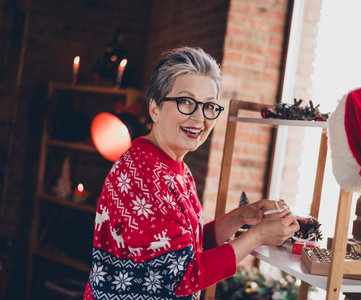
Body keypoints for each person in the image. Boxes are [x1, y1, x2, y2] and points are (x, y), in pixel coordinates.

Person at [83, 46, 299, 300]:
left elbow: (180, 249)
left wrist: (238, 218)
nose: (199, 118)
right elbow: (185, 276)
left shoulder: (169, 164)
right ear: (155, 108)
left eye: (209, 106)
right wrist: (258, 236)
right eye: (186, 102)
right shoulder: (145, 177)